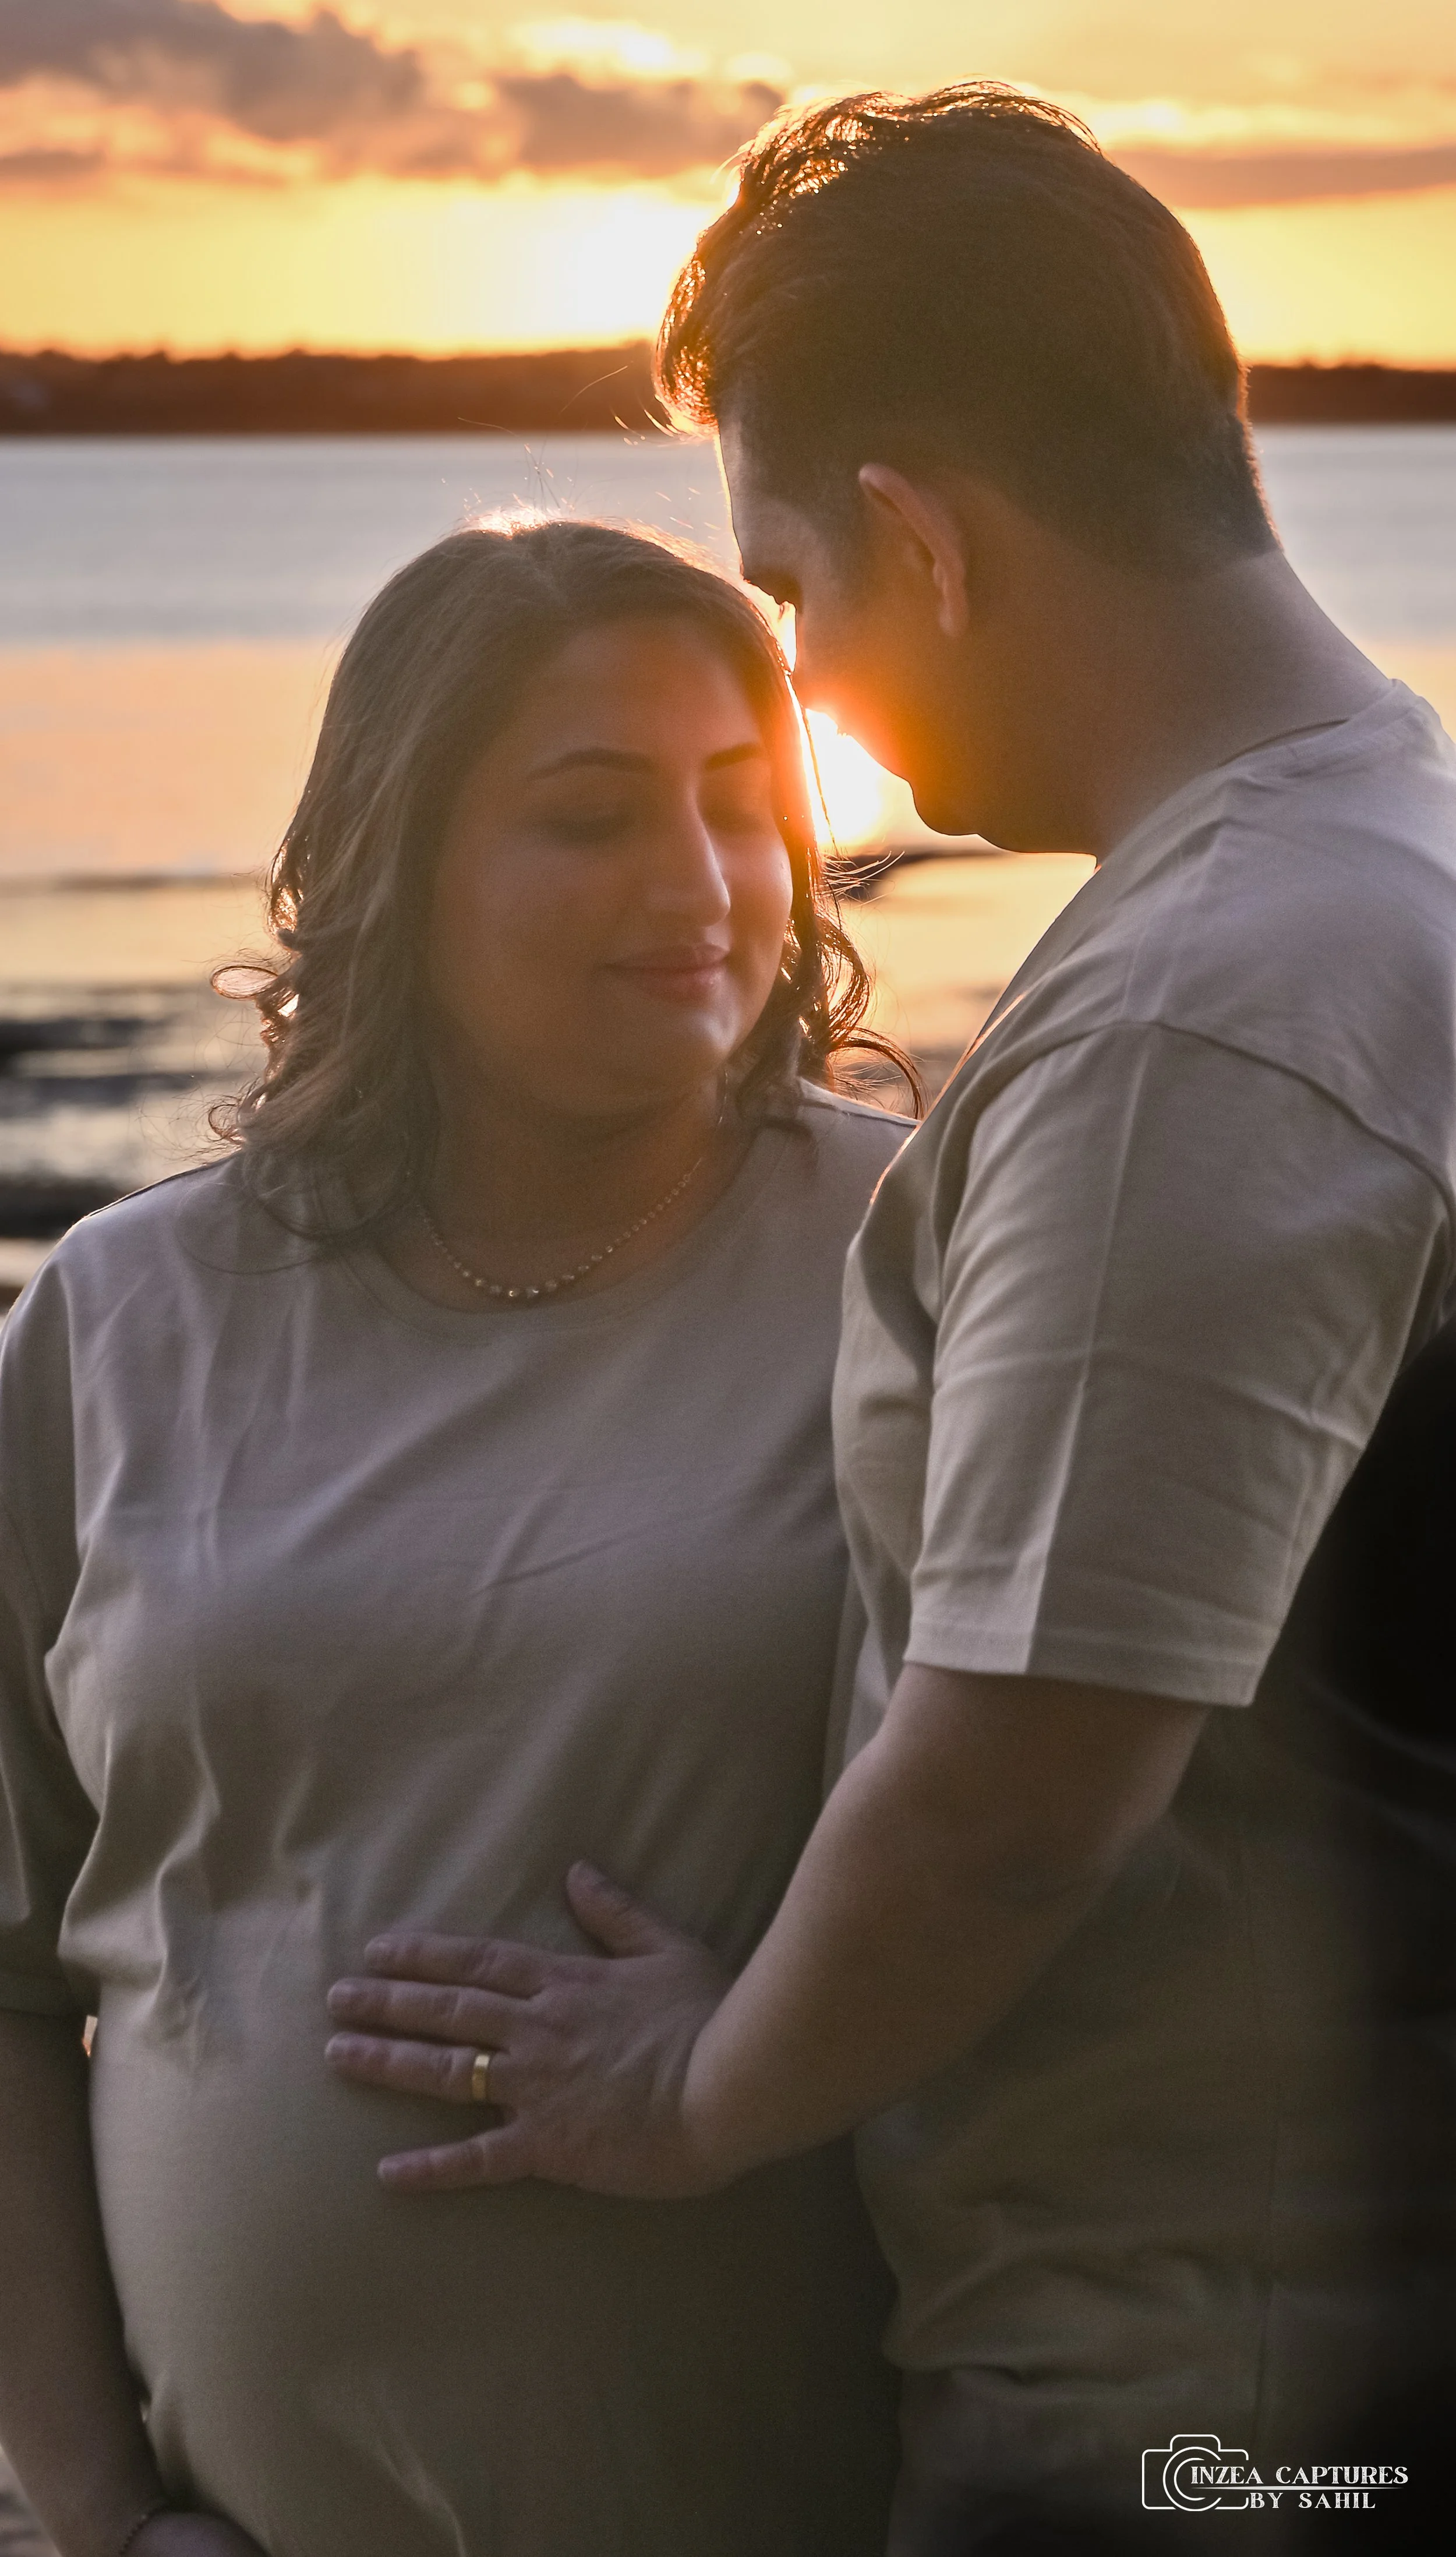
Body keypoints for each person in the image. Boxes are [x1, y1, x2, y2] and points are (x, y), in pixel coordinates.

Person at [325, 89, 1456, 2550]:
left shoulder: (1206, 1008)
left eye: (797, 594)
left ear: (923, 540)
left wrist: (698, 2085)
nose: (817, 688)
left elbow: (1026, 1773)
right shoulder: (1386, 850)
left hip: (1201, 2405)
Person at [0, 519, 912, 2557]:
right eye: (588, 817)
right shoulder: (122, 1317)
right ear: (391, 868)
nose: (697, 887)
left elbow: (1091, 1854)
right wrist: (95, 2511)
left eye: (745, 806)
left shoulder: (915, 1265)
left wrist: (745, 2039)